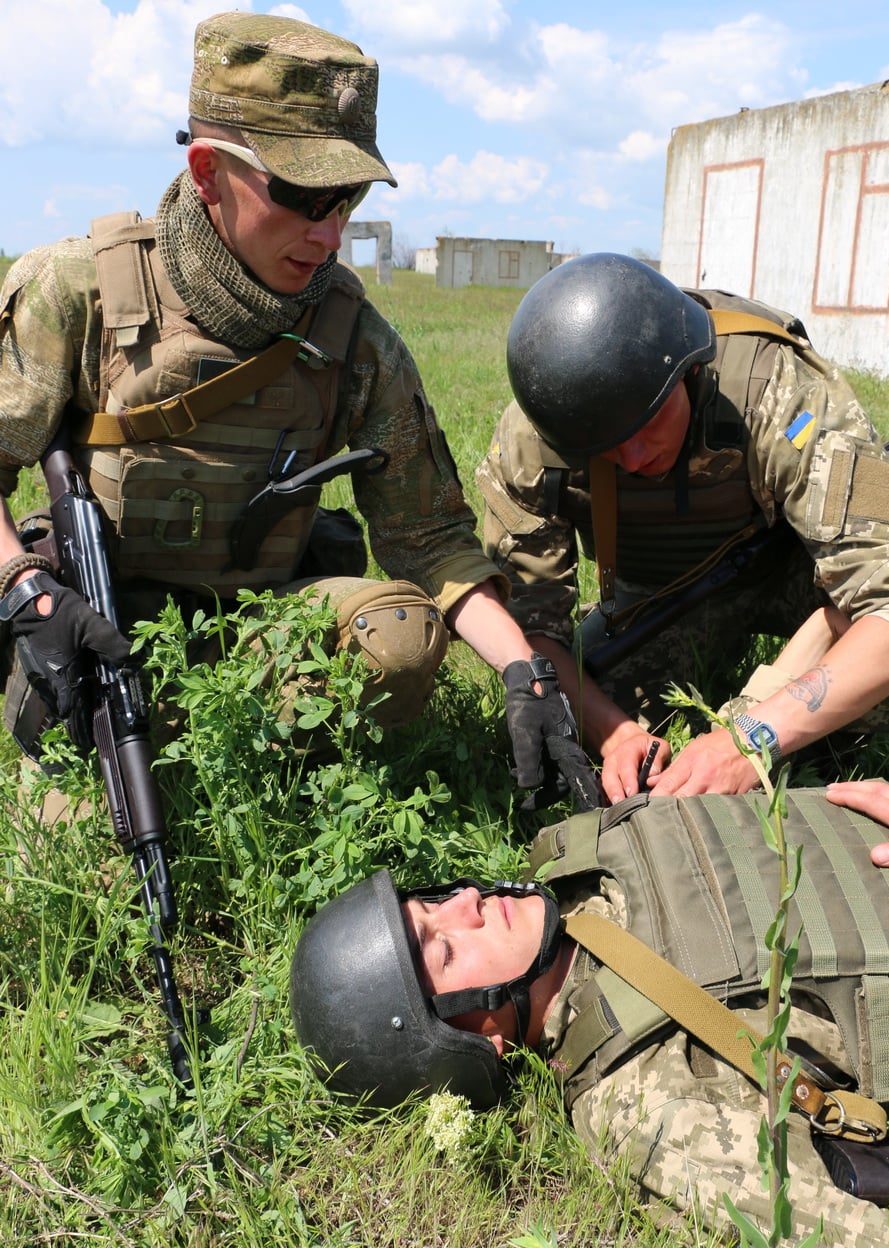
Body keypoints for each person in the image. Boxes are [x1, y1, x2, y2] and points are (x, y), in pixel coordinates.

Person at [0, 12, 594, 810]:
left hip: (260, 630)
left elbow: (429, 536)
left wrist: (525, 670)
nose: (331, 232)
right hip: (98, 637)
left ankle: (275, 778)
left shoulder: (352, 337)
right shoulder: (81, 292)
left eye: (347, 197)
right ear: (207, 171)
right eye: (305, 196)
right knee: (86, 840)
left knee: (400, 632)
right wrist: (25, 590)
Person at [290, 786, 889, 1248]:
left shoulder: (582, 857)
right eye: (447, 949)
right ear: (472, 1042)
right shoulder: (639, 1107)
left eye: (431, 904)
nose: (467, 902)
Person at [476, 252, 889, 803]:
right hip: (663, 595)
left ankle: (825, 745)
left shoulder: (771, 387)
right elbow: (533, 631)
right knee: (557, 711)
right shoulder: (540, 437)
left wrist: (750, 739)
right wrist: (615, 734)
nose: (633, 458)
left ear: (690, 372)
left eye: (647, 422)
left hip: (799, 571)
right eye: (606, 446)